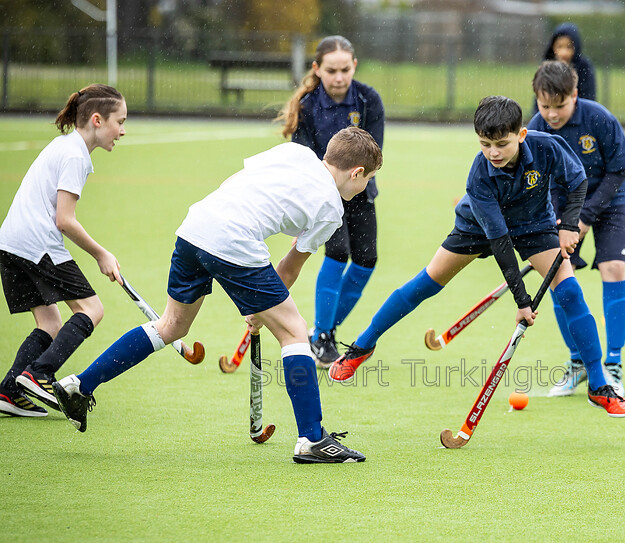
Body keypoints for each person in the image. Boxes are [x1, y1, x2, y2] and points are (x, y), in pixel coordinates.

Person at [52, 127, 383, 464]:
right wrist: (262, 311)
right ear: (356, 173)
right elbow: (291, 267)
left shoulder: (296, 152)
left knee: (171, 326)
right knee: (294, 332)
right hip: (234, 241)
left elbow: (245, 183)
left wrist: (261, 306)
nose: (364, 188)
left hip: (196, 227)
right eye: (367, 179)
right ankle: (312, 439)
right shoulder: (331, 209)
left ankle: (81, 384)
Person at [330, 96, 625, 418]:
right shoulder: (480, 177)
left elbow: (577, 181)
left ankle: (598, 385)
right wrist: (522, 300)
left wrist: (569, 226)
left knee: (570, 292)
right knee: (426, 283)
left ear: (522, 135)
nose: (493, 153)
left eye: (502, 144)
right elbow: (500, 242)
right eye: (485, 144)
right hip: (479, 228)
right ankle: (362, 345)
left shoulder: (547, 146)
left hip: (534, 225)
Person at [0, 84, 125, 418]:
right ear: (97, 120)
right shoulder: (75, 156)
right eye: (120, 121)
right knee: (92, 309)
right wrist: (102, 253)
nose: (123, 131)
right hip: (36, 243)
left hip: (10, 243)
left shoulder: (64, 145)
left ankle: (10, 391)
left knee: (49, 322)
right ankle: (39, 374)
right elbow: (65, 221)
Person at [276, 35, 385, 368]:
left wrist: (352, 180)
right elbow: (303, 159)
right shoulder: (308, 105)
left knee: (366, 259)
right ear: (317, 69)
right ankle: (322, 336)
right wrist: (304, 212)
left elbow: (374, 152)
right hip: (321, 195)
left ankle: (324, 333)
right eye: (331, 70)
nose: (339, 77)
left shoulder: (368, 100)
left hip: (359, 189)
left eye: (345, 70)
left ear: (354, 66)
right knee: (338, 252)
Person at [527, 61, 625, 397]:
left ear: (575, 94)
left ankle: (612, 364)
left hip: (608, 201)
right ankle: (579, 363)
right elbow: (534, 183)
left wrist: (584, 217)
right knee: (562, 280)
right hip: (559, 208)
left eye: (559, 106)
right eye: (545, 107)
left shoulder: (599, 118)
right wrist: (559, 222)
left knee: (613, 267)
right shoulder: (534, 129)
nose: (552, 115)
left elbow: (618, 173)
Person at [542, 23, 596, 101]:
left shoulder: (584, 67)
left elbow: (588, 96)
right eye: (559, 46)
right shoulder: (546, 66)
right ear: (552, 46)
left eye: (569, 47)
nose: (564, 52)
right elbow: (541, 96)